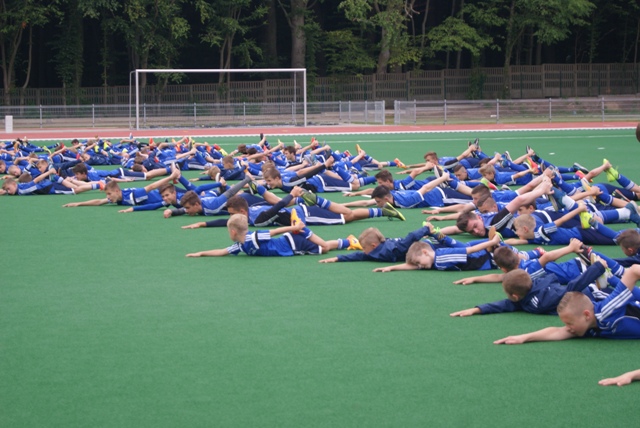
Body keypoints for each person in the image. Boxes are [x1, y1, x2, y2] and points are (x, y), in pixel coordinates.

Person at [494, 264, 640, 344]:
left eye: (570, 323)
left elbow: (633, 271)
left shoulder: (606, 311)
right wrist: (523, 337)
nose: (568, 328)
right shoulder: (587, 326)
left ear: (586, 315)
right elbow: (557, 331)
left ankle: (609, 277)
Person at [449, 260, 607, 317]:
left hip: (591, 295)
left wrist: (597, 268)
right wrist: (476, 309)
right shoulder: (524, 299)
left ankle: (604, 274)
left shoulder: (541, 300)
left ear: (515, 296)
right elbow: (502, 305)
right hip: (581, 296)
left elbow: (572, 289)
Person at [185, 213, 357, 257]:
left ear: (233, 231)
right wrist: (200, 253)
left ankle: (300, 226)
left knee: (324, 248)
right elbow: (222, 251)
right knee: (324, 247)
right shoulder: (241, 246)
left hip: (292, 243)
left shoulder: (253, 237)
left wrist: (293, 227)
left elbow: (273, 232)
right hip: (291, 245)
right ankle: (349, 241)